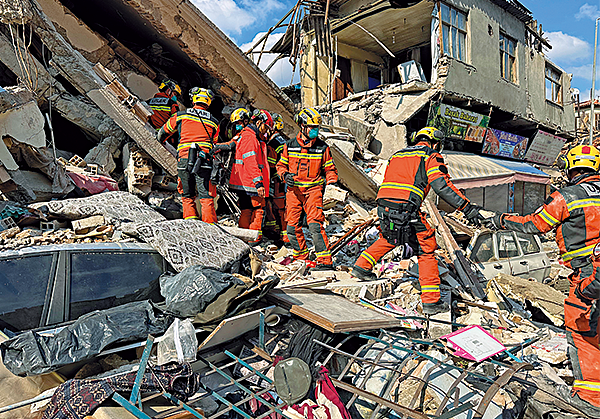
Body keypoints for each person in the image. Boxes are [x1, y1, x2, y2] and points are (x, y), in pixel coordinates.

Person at [483, 145, 600, 416]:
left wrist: (500, 219)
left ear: (571, 169)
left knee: (582, 333)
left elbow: (533, 225)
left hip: (586, 276)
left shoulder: (567, 197)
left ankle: (590, 399)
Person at [351, 127, 486, 315]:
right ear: (435, 143)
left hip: (384, 205)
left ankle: (361, 267)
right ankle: (431, 302)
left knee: (391, 238)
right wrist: (467, 207)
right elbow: (442, 186)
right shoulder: (430, 156)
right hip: (407, 208)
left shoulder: (397, 155)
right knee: (426, 248)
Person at [276, 107, 338, 271]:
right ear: (302, 126)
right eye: (312, 127)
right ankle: (301, 255)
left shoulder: (322, 148)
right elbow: (281, 165)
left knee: (315, 225)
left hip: (313, 190)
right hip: (293, 191)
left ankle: (325, 261)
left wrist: (332, 183)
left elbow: (330, 169)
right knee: (291, 227)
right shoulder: (288, 146)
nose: (315, 131)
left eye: (317, 127)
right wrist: (284, 175)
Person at [157, 87, 218, 223]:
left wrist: (163, 142)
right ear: (208, 101)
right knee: (206, 195)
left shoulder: (181, 115)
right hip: (204, 161)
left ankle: (191, 223)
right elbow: (214, 143)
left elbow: (162, 133)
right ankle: (210, 227)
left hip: (184, 159)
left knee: (187, 194)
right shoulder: (214, 122)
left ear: (193, 99)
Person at [229, 109, 273, 244]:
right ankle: (254, 239)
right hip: (251, 182)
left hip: (244, 181)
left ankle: (243, 238)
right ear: (259, 122)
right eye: (266, 127)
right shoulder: (250, 137)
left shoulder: (247, 135)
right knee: (258, 210)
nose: (265, 131)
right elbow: (250, 161)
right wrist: (258, 183)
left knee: (246, 209)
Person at [263, 113, 287, 242]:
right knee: (280, 206)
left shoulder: (273, 142)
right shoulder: (281, 140)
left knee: (278, 206)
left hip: (276, 179)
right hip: (281, 178)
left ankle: (280, 233)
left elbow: (271, 162)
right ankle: (280, 231)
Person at [148, 79, 181, 146]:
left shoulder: (149, 101)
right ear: (168, 90)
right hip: (164, 137)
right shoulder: (172, 104)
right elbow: (177, 121)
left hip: (149, 130)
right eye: (174, 94)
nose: (175, 97)